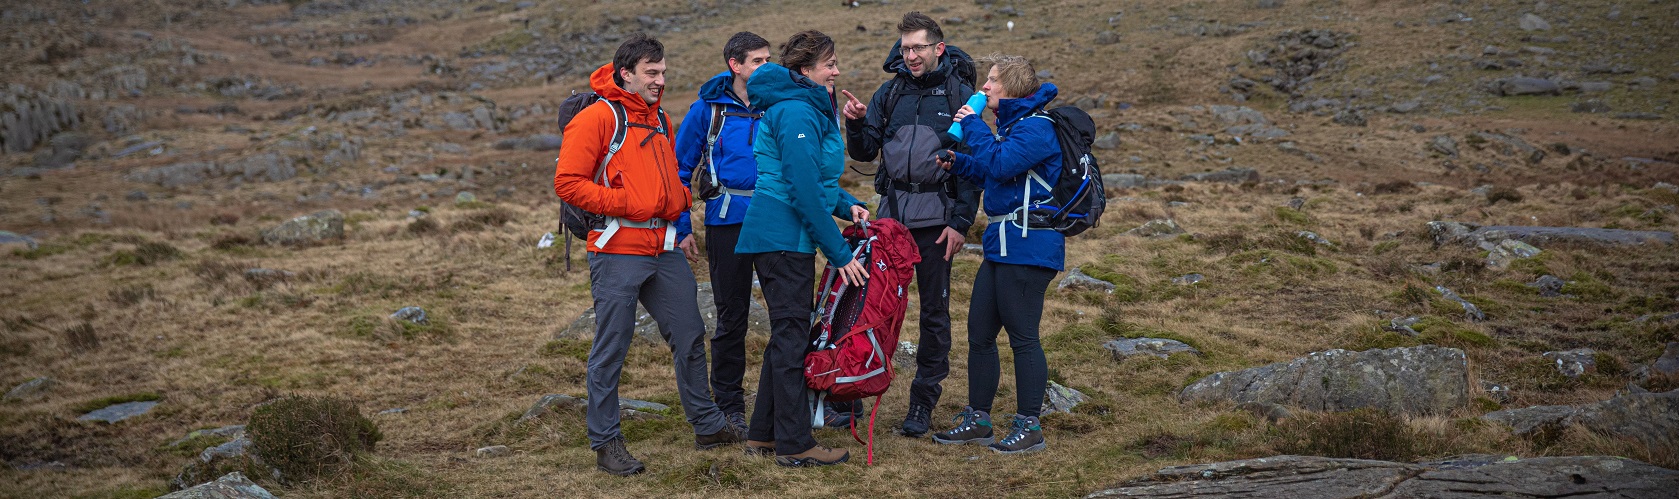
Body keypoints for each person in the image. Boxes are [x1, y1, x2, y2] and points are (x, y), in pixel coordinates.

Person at [552, 34, 742, 476]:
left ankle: (708, 424)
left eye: (662, 71)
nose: (660, 80)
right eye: (652, 73)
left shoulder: (660, 120)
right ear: (627, 74)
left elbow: (665, 180)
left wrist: (679, 206)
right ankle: (606, 443)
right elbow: (568, 182)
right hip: (617, 248)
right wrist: (629, 205)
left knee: (691, 333)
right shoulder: (598, 118)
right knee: (612, 347)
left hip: (663, 247)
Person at [838, 11, 982, 438]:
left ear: (938, 48)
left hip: (938, 223)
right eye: (905, 48)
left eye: (918, 47)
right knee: (871, 308)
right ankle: (852, 392)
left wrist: (960, 223)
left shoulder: (962, 94)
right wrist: (856, 120)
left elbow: (973, 167)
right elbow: (865, 154)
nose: (911, 55)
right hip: (891, 220)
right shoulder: (890, 92)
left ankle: (922, 403)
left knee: (934, 314)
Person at [735, 30, 869, 467]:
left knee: (786, 336)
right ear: (804, 71)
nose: (835, 70)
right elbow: (803, 189)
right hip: (781, 237)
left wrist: (851, 207)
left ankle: (763, 435)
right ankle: (795, 444)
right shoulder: (796, 110)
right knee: (793, 339)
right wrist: (840, 253)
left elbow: (816, 181)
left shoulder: (806, 106)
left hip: (783, 236)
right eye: (828, 64)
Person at [928, 54, 1063, 455]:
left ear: (1013, 88)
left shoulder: (1038, 128)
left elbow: (1003, 164)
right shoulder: (1015, 127)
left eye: (991, 82)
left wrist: (971, 120)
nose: (984, 88)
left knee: (1023, 338)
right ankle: (979, 420)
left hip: (1030, 247)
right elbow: (993, 171)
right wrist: (959, 163)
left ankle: (1029, 426)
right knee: (980, 334)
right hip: (1002, 246)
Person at [674, 31, 773, 435]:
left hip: (774, 219)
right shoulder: (707, 110)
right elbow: (679, 171)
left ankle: (789, 397)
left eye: (770, 59)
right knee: (732, 317)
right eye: (757, 61)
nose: (767, 67)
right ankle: (729, 405)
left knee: (789, 313)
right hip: (726, 222)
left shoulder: (776, 103)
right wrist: (682, 228)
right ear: (735, 65)